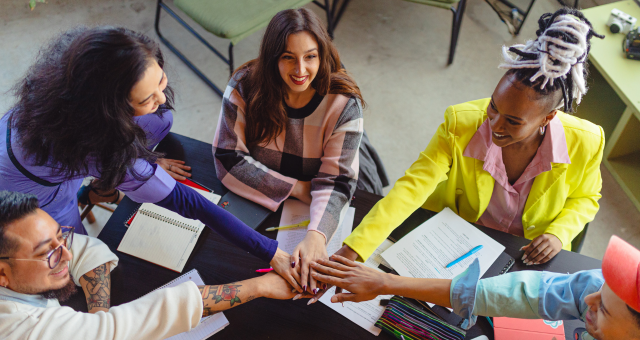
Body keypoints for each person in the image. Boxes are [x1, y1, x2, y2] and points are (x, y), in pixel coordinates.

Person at [0, 26, 298, 289]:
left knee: (160, 120)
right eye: (145, 99)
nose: (159, 96)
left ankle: (99, 188)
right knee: (77, 257)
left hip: (38, 143)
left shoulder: (81, 61)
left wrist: (145, 161)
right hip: (33, 192)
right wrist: (273, 252)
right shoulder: (99, 146)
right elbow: (190, 203)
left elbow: (151, 115)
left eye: (160, 79)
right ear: (110, 112)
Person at [333, 8, 605, 268]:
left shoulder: (587, 142)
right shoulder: (460, 122)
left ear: (548, 119)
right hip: (456, 244)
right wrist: (355, 248)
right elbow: (411, 188)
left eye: (513, 121)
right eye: (494, 107)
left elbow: (586, 197)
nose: (494, 124)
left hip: (527, 257)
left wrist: (559, 233)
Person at [0, 191, 308, 340]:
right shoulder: (18, 329)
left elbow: (85, 248)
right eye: (48, 253)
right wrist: (261, 285)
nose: (64, 254)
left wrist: (99, 313)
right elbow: (125, 326)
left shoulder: (24, 266)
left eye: (60, 237)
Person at [212, 8, 370, 296]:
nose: (300, 70)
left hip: (320, 188)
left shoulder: (345, 103)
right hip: (278, 196)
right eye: (288, 57)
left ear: (322, 55)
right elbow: (227, 159)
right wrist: (296, 188)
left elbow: (337, 182)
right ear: (272, 58)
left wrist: (316, 236)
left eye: (310, 56)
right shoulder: (244, 86)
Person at [311, 235, 640, 340]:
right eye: (601, 287)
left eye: (604, 307)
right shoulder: (596, 289)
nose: (588, 299)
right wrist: (386, 282)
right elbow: (518, 293)